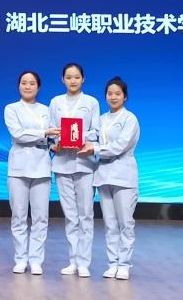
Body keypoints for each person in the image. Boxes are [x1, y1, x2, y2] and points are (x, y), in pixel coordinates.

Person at [79, 76, 140, 280]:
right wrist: (70, 137)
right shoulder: (102, 119)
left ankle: (124, 264)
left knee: (125, 223)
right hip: (103, 176)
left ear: (125, 96)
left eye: (117, 94)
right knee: (110, 224)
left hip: (124, 177)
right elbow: (90, 137)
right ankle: (112, 263)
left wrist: (95, 149)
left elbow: (119, 146)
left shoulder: (129, 119)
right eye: (110, 93)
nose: (113, 97)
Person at [48, 62, 100, 277]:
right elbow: (51, 130)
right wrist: (58, 140)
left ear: (83, 79)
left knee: (85, 214)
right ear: (63, 79)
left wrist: (76, 135)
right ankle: (73, 261)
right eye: (69, 77)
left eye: (77, 77)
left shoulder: (92, 102)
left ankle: (84, 262)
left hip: (85, 164)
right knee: (70, 216)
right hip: (62, 163)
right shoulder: (56, 102)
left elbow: (95, 132)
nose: (73, 81)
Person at [4, 70, 58, 275]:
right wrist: (44, 133)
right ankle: (20, 259)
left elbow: (53, 137)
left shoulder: (46, 110)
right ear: (19, 86)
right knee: (18, 216)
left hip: (42, 167)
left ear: (38, 87)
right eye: (24, 83)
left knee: (40, 217)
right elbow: (18, 135)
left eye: (32, 83)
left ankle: (36, 260)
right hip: (18, 168)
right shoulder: (11, 108)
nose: (27, 86)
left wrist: (55, 143)